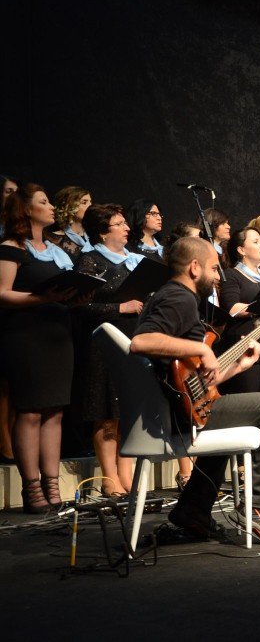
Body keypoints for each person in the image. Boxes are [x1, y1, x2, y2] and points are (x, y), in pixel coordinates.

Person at [131, 237, 260, 541]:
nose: (219, 277)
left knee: (240, 410)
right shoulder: (177, 298)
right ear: (194, 267)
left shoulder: (177, 298)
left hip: (182, 408)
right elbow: (141, 341)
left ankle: (193, 510)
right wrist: (202, 349)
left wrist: (237, 367)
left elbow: (192, 381)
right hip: (177, 418)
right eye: (213, 269)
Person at [0, 185, 80, 512]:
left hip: (58, 335)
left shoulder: (55, 250)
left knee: (55, 411)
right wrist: (42, 298)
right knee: (31, 411)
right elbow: (2, 293)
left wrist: (77, 297)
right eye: (43, 202)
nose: (51, 207)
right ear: (25, 210)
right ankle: (31, 489)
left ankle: (52, 486)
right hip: (27, 336)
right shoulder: (10, 248)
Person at [75, 203, 147, 499]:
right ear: (103, 232)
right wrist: (120, 307)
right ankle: (109, 478)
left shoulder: (136, 260)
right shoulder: (90, 260)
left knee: (128, 412)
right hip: (105, 344)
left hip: (135, 340)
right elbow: (80, 306)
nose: (127, 227)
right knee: (107, 413)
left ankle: (126, 477)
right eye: (119, 223)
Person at [218, 227, 260, 398]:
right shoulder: (231, 274)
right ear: (241, 250)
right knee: (250, 398)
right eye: (255, 242)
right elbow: (231, 308)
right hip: (247, 343)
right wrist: (259, 306)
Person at [49, 185, 94, 263]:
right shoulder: (54, 239)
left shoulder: (94, 235)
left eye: (90, 202)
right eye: (84, 202)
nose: (90, 206)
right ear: (69, 206)